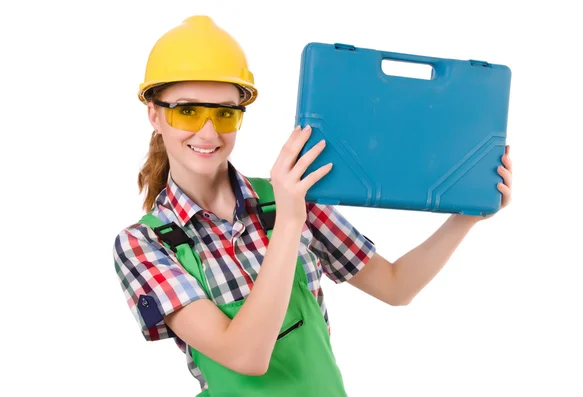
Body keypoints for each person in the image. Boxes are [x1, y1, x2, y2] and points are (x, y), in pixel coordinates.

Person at [112, 15, 513, 397]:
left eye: (225, 113)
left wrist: (468, 215)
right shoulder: (145, 244)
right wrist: (289, 221)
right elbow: (246, 355)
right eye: (187, 111)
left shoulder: (287, 195)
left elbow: (395, 286)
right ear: (154, 114)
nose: (208, 130)